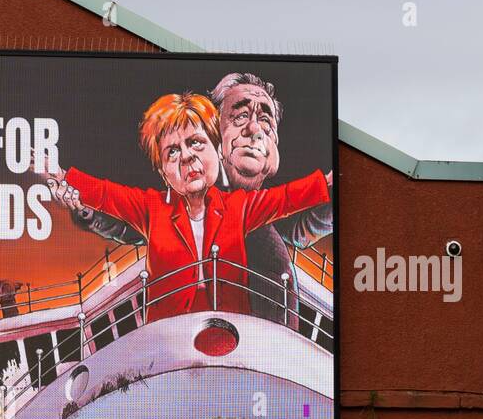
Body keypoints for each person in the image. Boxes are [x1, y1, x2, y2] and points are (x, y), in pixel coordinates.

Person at [63, 73, 333, 328]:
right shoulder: (176, 196)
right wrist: (80, 199)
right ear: (215, 135)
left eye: (266, 120)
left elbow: (300, 215)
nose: (255, 129)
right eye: (240, 116)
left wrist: (331, 188)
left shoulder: (255, 209)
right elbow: (125, 216)